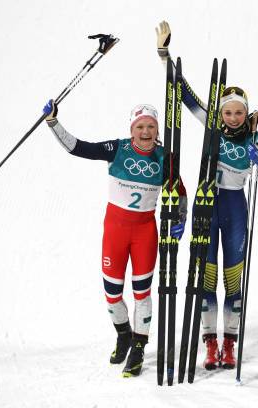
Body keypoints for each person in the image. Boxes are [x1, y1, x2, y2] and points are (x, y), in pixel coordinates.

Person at [155, 21, 258, 370]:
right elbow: (185, 94)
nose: (233, 117)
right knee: (206, 275)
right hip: (207, 201)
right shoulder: (211, 124)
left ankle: (231, 343)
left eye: (239, 112)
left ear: (246, 112)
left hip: (236, 205)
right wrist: (165, 56)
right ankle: (210, 345)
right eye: (228, 111)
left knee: (232, 277)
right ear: (221, 112)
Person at [42, 100, 188, 377]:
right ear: (132, 129)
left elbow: (180, 191)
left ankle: (139, 346)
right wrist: (53, 122)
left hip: (144, 232)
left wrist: (181, 219)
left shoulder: (165, 157)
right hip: (115, 232)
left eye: (151, 127)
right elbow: (77, 147)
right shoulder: (117, 149)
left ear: (158, 130)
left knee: (142, 292)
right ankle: (123, 335)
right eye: (140, 126)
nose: (145, 132)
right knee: (112, 295)